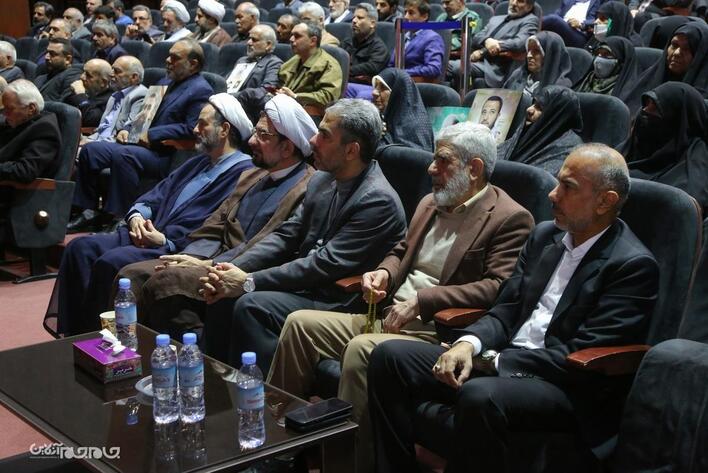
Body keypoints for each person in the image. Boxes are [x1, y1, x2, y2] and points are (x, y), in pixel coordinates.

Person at [368, 143, 660, 473]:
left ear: (605, 201)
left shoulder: (632, 266)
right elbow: (506, 309)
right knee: (390, 357)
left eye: (568, 187)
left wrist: (495, 361)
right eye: (557, 182)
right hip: (502, 360)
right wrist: (468, 344)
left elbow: (579, 357)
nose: (552, 194)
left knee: (479, 395)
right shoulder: (544, 237)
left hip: (562, 385)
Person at [267, 122, 534, 473]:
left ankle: (349, 466)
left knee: (362, 349)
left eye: (442, 160)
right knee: (299, 325)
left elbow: (498, 287)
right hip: (386, 315)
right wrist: (384, 273)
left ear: (474, 169)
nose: (431, 168)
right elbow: (401, 251)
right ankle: (277, 450)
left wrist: (424, 300)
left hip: (433, 332)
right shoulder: (430, 202)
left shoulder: (510, 218)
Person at [198, 99, 407, 371]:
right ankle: (214, 384)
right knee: (221, 293)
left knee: (252, 305)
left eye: (324, 135)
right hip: (306, 284)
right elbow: (286, 236)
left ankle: (264, 392)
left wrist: (247, 282)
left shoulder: (378, 200)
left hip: (338, 299)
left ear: (351, 150)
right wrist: (229, 270)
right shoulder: (322, 179)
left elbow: (322, 264)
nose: (312, 140)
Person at [48, 94, 255, 337]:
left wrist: (165, 240)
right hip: (145, 233)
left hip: (175, 246)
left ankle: (102, 339)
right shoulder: (197, 163)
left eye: (202, 124)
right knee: (80, 248)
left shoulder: (244, 172)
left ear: (225, 130)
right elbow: (156, 194)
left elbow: (215, 223)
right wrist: (137, 216)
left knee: (111, 261)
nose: (194, 129)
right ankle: (74, 335)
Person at [117, 95, 317, 341]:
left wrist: (210, 264)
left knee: (168, 281)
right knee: (131, 275)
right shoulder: (252, 175)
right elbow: (215, 224)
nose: (251, 141)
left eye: (263, 135)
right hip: (209, 258)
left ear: (287, 148)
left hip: (242, 268)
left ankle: (194, 356)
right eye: (255, 132)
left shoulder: (306, 187)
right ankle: (128, 353)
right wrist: (191, 256)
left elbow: (272, 245)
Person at [68, 39, 213, 232]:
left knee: (123, 154)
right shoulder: (164, 81)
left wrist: (152, 134)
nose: (168, 60)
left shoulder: (200, 90)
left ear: (193, 64)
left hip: (166, 154)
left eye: (175, 58)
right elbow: (145, 114)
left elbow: (191, 128)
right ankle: (88, 211)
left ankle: (120, 217)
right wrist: (128, 129)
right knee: (91, 150)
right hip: (140, 145)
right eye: (169, 55)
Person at [623, 82, 708, 211]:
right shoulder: (631, 147)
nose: (645, 112)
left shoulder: (693, 169)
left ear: (679, 120)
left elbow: (681, 211)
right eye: (646, 105)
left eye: (655, 109)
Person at [498, 85, 583, 175]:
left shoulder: (567, 154)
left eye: (539, 108)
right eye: (533, 104)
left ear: (555, 116)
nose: (529, 110)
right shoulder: (529, 131)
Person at [631, 21, 708, 103]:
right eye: (674, 45)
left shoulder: (701, 103)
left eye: (686, 49)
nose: (676, 53)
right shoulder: (646, 82)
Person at [0, 80, 60, 184]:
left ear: (31, 109)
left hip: (13, 190)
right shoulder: (19, 121)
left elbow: (25, 171)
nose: (4, 113)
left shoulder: (45, 130)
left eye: (9, 109)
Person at [468, 0, 539, 88]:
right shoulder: (495, 19)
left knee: (456, 67)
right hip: (477, 61)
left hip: (496, 67)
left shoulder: (530, 20)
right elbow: (476, 37)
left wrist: (483, 52)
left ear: (529, 7)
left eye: (520, 1)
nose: (514, 3)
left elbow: (519, 43)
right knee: (454, 67)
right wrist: (487, 40)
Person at [277, 21, 343, 115]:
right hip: (285, 108)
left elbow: (328, 97)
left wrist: (296, 96)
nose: (291, 39)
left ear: (313, 41)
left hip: (311, 114)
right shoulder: (294, 60)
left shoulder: (329, 65)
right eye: (291, 35)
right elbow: (279, 82)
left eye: (297, 36)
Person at [83, 56, 147, 144]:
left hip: (113, 144)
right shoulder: (114, 96)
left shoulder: (141, 95)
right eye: (112, 70)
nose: (111, 74)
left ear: (134, 77)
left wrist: (91, 144)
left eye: (117, 71)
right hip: (98, 140)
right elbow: (102, 129)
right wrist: (87, 140)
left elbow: (130, 132)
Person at [228, 25, 284, 123]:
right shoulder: (241, 60)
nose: (249, 42)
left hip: (249, 110)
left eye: (254, 40)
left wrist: (234, 97)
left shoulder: (274, 63)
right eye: (249, 38)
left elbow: (267, 90)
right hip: (229, 103)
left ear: (268, 45)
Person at [372, 68, 433, 151]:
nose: (374, 92)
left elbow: (412, 157)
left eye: (382, 87)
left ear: (397, 93)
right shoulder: (380, 117)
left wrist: (380, 136)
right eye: (376, 86)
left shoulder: (415, 127)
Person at [575, 37, 641, 112]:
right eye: (598, 54)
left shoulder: (628, 92)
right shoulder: (587, 79)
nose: (599, 59)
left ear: (621, 63)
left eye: (607, 55)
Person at [388, 0, 444, 82]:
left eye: (411, 13)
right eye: (405, 12)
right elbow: (392, 64)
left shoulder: (433, 38)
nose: (406, 17)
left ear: (424, 16)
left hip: (416, 84)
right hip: (396, 81)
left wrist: (402, 73)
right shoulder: (404, 36)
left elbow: (433, 68)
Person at [343, 3, 390, 98]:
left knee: (344, 88)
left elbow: (371, 68)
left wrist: (346, 71)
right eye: (354, 17)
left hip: (366, 87)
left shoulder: (379, 48)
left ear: (372, 24)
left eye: (360, 18)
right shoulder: (347, 42)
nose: (354, 21)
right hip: (345, 81)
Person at [503, 31, 573, 95]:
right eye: (529, 50)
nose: (529, 55)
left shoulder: (561, 90)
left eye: (536, 51)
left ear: (551, 55)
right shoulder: (518, 75)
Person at [66, 59, 113, 128]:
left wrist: (81, 95)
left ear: (103, 82)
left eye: (88, 75)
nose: (82, 77)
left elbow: (89, 120)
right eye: (83, 72)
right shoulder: (85, 90)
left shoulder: (110, 100)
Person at [34, 38, 83, 103]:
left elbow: (63, 105)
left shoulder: (72, 75)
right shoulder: (40, 78)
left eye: (52, 54)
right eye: (47, 52)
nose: (46, 57)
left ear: (68, 59)